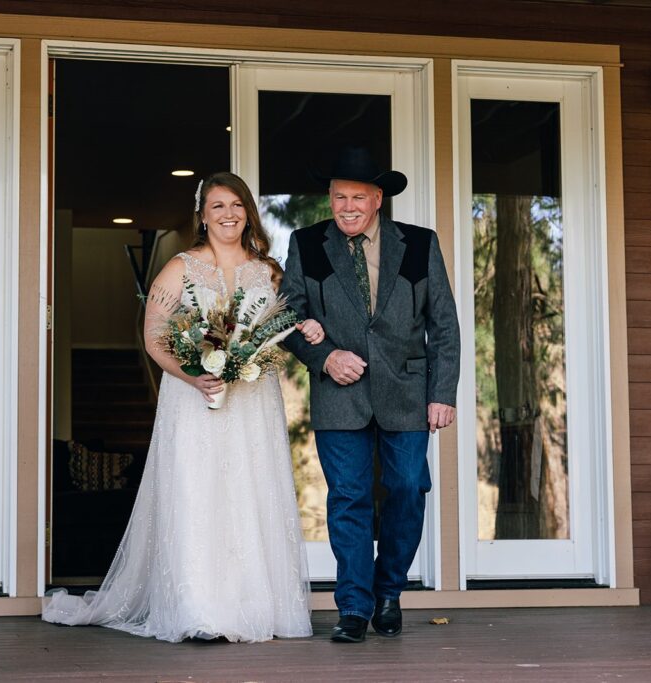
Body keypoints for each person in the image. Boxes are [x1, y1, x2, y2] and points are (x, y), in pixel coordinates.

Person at [41, 171, 325, 643]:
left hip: (254, 402)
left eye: (236, 204)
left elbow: (289, 323)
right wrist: (193, 375)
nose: (228, 214)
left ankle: (258, 606)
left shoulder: (271, 271)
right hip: (195, 399)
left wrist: (309, 328)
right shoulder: (180, 268)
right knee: (199, 493)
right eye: (217, 206)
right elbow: (154, 336)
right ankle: (198, 607)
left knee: (251, 492)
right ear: (202, 215)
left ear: (248, 211)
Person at [279, 146, 460, 643]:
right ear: (330, 199)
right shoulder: (307, 243)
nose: (348, 206)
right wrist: (324, 357)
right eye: (340, 197)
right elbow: (287, 317)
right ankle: (355, 607)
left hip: (408, 390)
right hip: (339, 394)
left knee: (407, 488)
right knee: (349, 497)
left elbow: (443, 324)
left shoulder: (420, 244)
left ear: (378, 198)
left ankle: (389, 591)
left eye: (358, 196)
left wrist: (442, 392)